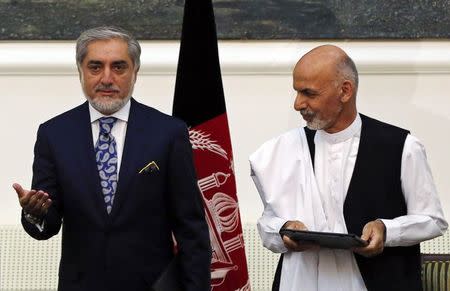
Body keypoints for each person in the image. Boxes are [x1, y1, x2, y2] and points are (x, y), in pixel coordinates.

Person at [12, 26, 211, 291]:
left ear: (135, 72)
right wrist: (35, 213)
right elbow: (48, 224)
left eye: (119, 67)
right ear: (81, 71)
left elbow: (191, 229)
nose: (107, 78)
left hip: (153, 284)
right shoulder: (54, 134)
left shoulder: (168, 133)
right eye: (95, 67)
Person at [249, 45, 447, 291]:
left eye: (308, 93)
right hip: (300, 281)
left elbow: (433, 220)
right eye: (297, 92)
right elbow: (267, 223)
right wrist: (283, 229)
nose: (298, 104)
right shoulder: (282, 150)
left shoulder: (401, 146)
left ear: (345, 91)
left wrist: (387, 229)